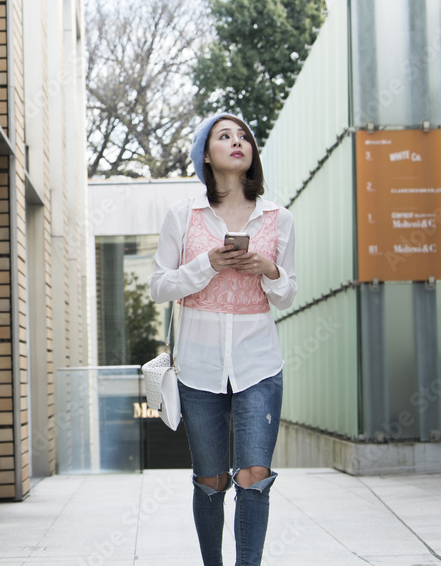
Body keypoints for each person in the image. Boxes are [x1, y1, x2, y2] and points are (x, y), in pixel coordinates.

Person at [148, 113, 297, 566]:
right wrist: (208, 264)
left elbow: (288, 293)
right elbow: (159, 287)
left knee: (254, 473)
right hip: (198, 368)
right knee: (210, 479)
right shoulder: (183, 216)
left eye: (244, 137)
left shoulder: (279, 218)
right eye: (224, 136)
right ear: (205, 155)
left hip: (259, 366)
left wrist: (268, 270)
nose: (238, 142)